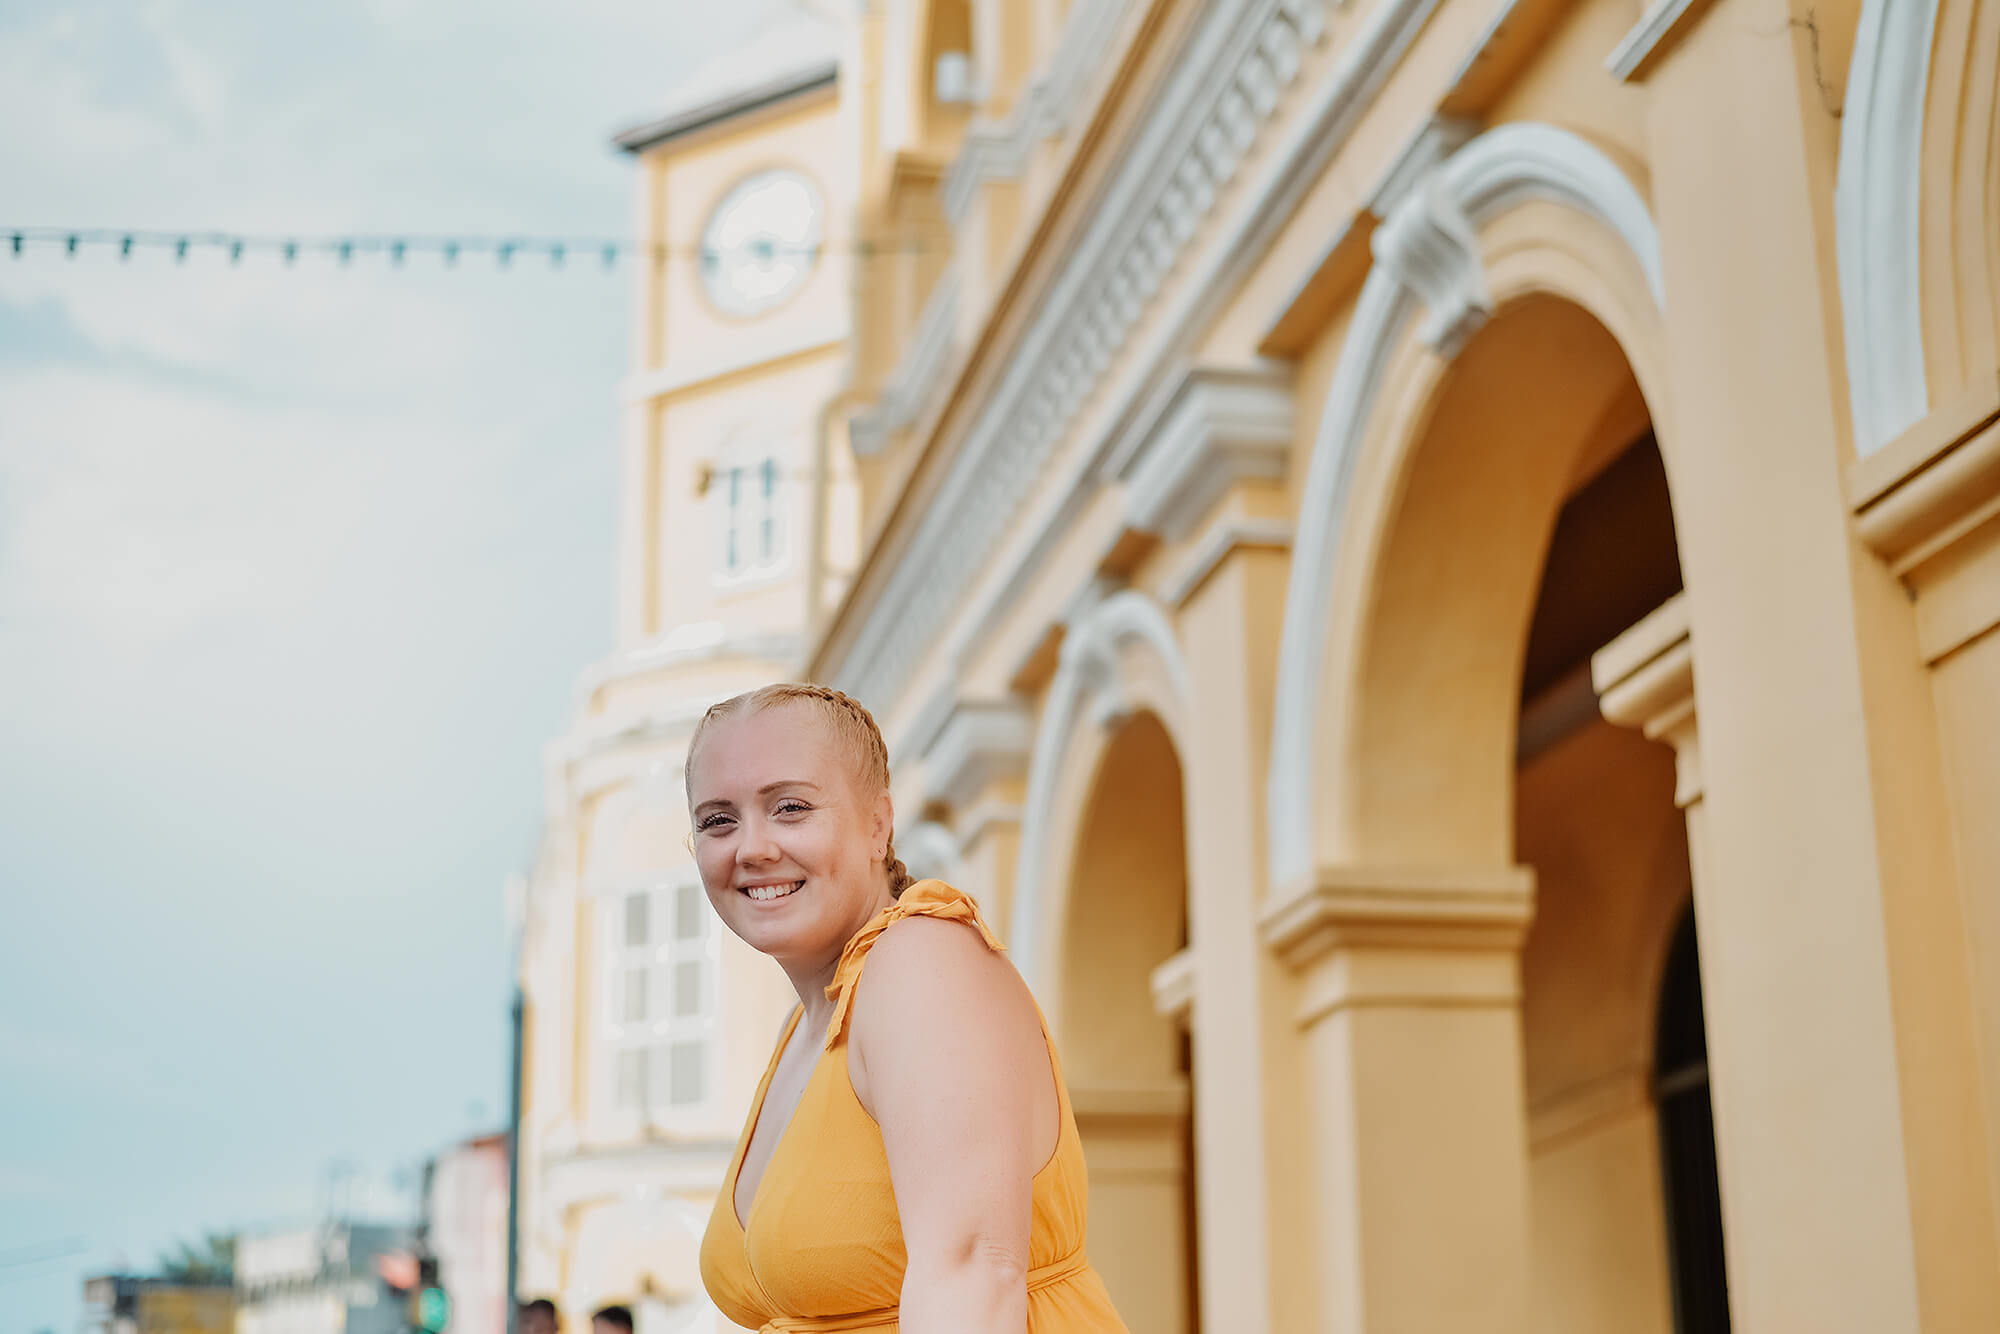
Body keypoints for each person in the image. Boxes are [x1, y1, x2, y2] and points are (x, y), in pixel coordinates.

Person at [688, 684, 1129, 1333]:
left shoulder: (919, 958)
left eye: (790, 808)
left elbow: (971, 1276)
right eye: (718, 820)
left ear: (878, 824)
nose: (751, 847)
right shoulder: (807, 1025)